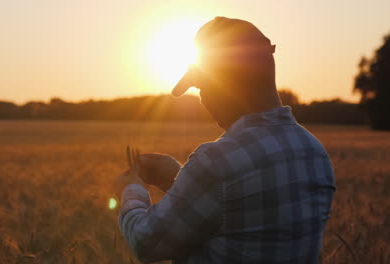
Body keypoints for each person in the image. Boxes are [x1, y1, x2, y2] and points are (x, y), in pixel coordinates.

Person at [114, 17, 336, 263]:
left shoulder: (216, 161)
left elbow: (147, 244)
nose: (202, 99)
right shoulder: (314, 151)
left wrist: (131, 189)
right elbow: (244, 213)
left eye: (203, 87)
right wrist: (178, 179)